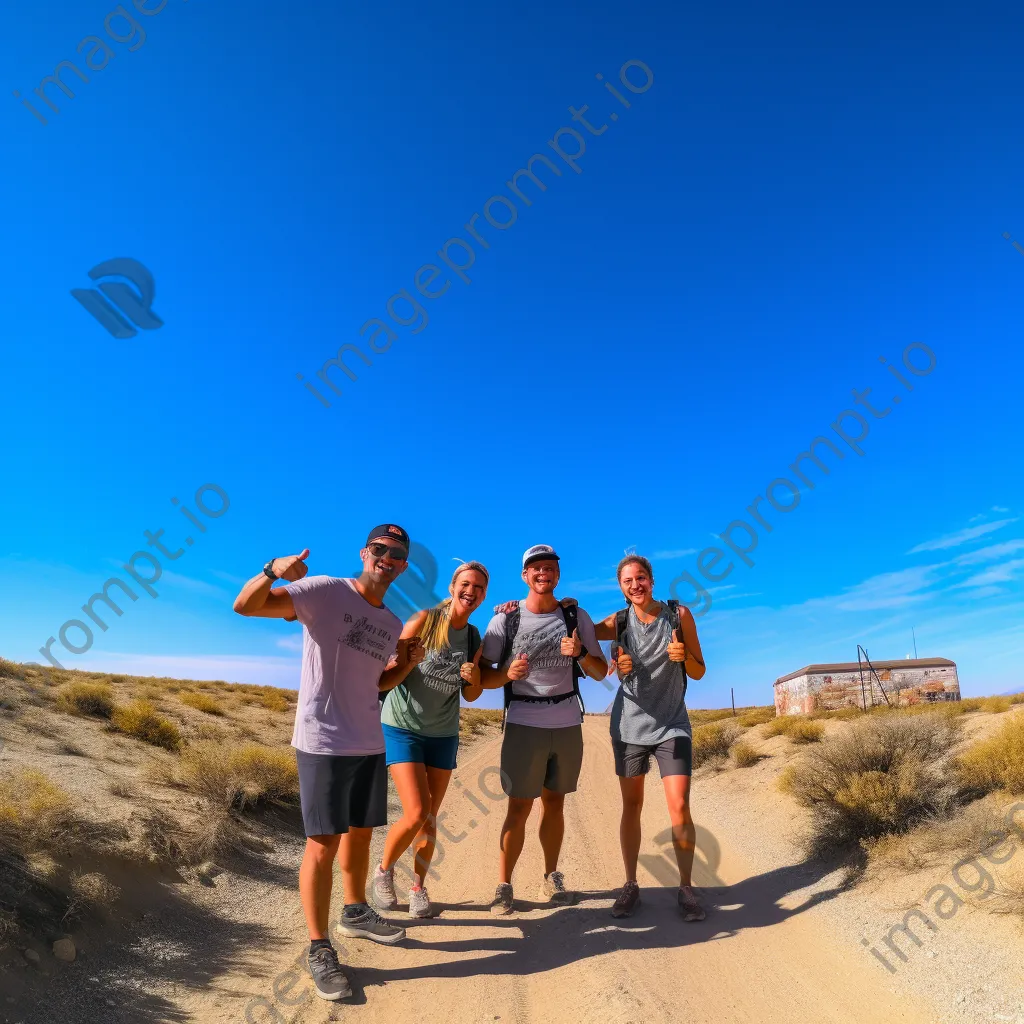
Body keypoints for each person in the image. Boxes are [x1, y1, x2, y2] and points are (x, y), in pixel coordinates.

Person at [231, 524, 418, 1002]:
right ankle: (318, 947)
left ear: (403, 564)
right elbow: (247, 606)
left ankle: (355, 912)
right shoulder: (326, 591)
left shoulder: (393, 624)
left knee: (359, 835)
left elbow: (376, 684)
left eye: (398, 554)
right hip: (323, 741)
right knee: (321, 846)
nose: (388, 558)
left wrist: (407, 663)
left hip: (369, 741)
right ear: (365, 552)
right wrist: (271, 570)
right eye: (381, 549)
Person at [478, 545, 607, 915]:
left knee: (555, 804)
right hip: (523, 721)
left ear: (557, 574)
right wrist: (506, 674)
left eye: (549, 567)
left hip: (567, 721)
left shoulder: (575, 615)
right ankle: (504, 885)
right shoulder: (505, 619)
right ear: (524, 576)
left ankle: (552, 875)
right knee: (518, 808)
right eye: (535, 568)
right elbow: (483, 677)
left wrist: (581, 653)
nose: (542, 573)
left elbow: (599, 672)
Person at [370, 561, 490, 918]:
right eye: (466, 584)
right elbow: (391, 671)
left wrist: (475, 677)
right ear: (453, 587)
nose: (471, 592)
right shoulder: (424, 620)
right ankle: (383, 871)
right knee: (417, 810)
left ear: (484, 596)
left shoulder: (472, 638)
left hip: (443, 732)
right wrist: (408, 660)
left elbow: (471, 696)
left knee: (430, 817)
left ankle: (418, 886)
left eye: (479, 588)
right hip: (403, 725)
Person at [591, 554, 707, 921]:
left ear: (652, 580)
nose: (635, 585)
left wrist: (682, 655)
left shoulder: (679, 616)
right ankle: (630, 885)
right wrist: (560, 604)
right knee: (632, 807)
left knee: (679, 806)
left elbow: (700, 671)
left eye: (640, 578)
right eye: (627, 581)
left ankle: (686, 888)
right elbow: (576, 628)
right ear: (620, 587)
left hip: (672, 724)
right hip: (628, 728)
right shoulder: (618, 621)